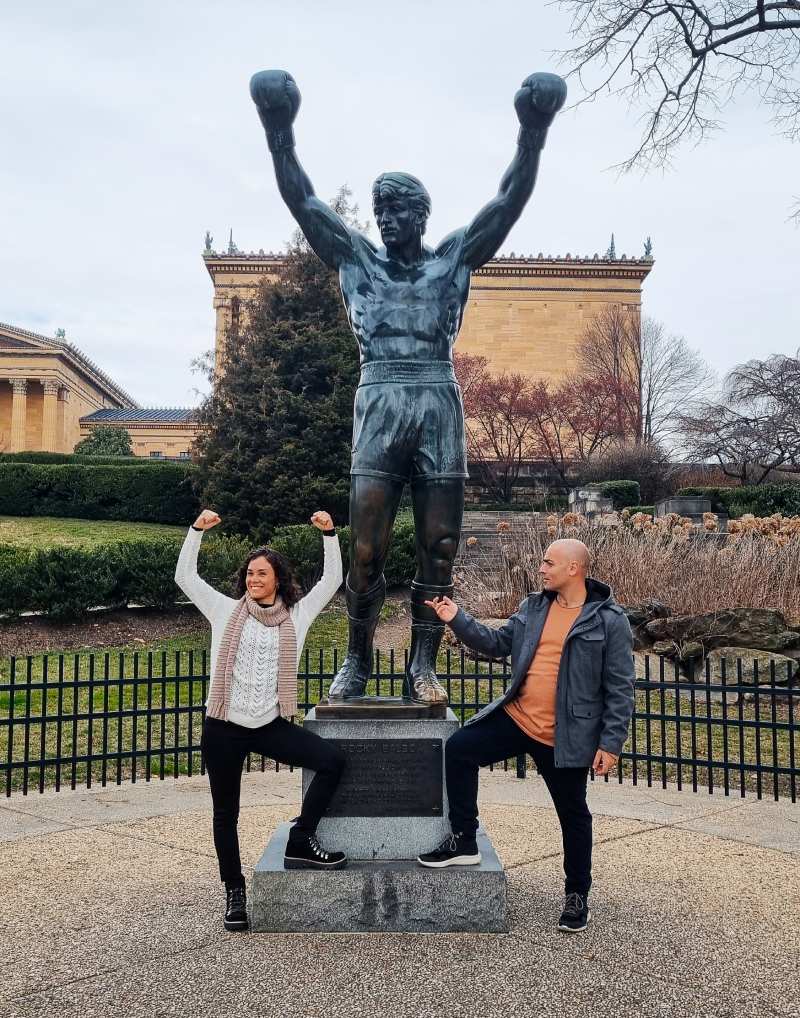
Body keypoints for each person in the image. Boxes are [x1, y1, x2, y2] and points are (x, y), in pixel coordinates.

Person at [249, 68, 567, 705]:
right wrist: (279, 130)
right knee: (365, 548)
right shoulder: (357, 261)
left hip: (437, 403)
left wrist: (532, 132)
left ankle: (422, 664)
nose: (386, 220)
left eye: (398, 210)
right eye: (379, 211)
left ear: (421, 215)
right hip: (381, 401)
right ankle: (357, 660)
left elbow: (507, 203)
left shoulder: (453, 261)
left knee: (439, 549)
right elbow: (303, 201)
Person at [417, 538, 635, 934]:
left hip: (565, 736)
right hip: (518, 718)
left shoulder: (609, 620)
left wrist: (610, 742)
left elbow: (620, 688)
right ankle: (464, 838)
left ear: (574, 568)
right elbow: (497, 643)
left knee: (573, 814)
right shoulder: (534, 607)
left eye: (548, 562)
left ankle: (576, 894)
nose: (541, 568)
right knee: (460, 749)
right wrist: (455, 617)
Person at [175, 507, 346, 932]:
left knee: (333, 761)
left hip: (270, 725)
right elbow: (185, 578)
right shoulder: (224, 611)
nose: (254, 580)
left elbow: (332, 582)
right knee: (225, 813)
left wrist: (329, 536)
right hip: (223, 728)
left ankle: (301, 838)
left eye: (262, 574)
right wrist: (196, 530)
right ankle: (235, 893)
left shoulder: (296, 618)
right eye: (250, 574)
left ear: (278, 580)